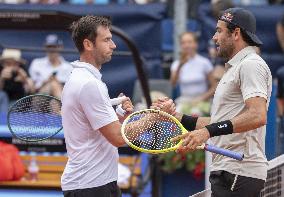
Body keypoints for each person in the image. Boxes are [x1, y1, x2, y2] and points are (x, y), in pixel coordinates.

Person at [153, 8, 272, 197]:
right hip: (230, 171)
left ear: (236, 33)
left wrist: (207, 132)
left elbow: (258, 115)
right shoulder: (237, 67)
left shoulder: (251, 64)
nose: (214, 37)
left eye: (219, 30)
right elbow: (220, 122)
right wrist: (176, 117)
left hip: (238, 171)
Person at [61, 16, 134, 197]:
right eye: (107, 40)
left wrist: (119, 115)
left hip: (97, 183)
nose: (113, 45)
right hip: (90, 187)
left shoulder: (85, 79)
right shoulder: (88, 84)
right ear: (88, 44)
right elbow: (118, 137)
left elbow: (100, 130)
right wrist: (154, 117)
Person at [170, 32, 216, 103]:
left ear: (196, 44)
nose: (187, 45)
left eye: (190, 42)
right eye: (183, 43)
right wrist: (180, 65)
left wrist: (202, 98)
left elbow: (214, 87)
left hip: (202, 100)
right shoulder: (176, 64)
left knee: (196, 113)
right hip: (184, 100)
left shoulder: (205, 62)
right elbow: (173, 83)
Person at [29, 34, 72, 98]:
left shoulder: (69, 67)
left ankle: (63, 106)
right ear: (45, 47)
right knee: (53, 84)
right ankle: (66, 107)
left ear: (60, 47)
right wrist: (46, 81)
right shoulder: (37, 63)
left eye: (54, 47)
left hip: (59, 96)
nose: (51, 50)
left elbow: (70, 89)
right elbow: (32, 88)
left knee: (54, 102)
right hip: (39, 98)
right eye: (49, 47)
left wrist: (58, 82)